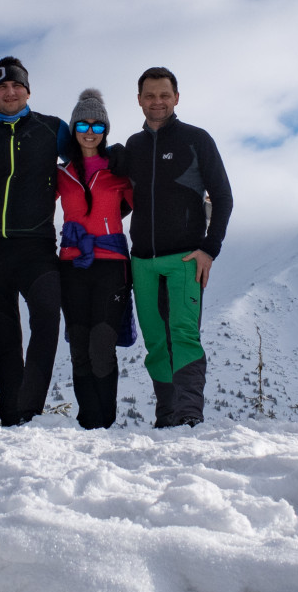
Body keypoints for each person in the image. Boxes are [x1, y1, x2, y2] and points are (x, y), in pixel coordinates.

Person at [116, 66, 232, 427]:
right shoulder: (133, 146)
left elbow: (223, 197)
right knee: (155, 341)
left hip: (185, 258)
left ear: (176, 98)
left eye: (164, 95)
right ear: (139, 100)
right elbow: (123, 200)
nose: (157, 102)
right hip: (142, 261)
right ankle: (166, 417)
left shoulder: (196, 140)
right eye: (150, 95)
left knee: (184, 335)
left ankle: (188, 415)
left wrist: (209, 250)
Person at [0, 57, 66, 425]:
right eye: (2, 87)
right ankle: (10, 417)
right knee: (5, 340)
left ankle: (29, 410)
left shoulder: (53, 129)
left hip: (37, 248)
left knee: (47, 321)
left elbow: (88, 162)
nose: (10, 92)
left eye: (16, 85)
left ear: (27, 91)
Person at [55, 87, 133, 429]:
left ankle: (105, 422)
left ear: (106, 130)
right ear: (73, 129)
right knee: (79, 344)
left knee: (102, 343)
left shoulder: (118, 171)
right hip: (71, 264)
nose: (90, 131)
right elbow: (28, 198)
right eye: (83, 125)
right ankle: (88, 422)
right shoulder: (62, 173)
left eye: (97, 125)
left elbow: (149, 201)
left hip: (112, 265)